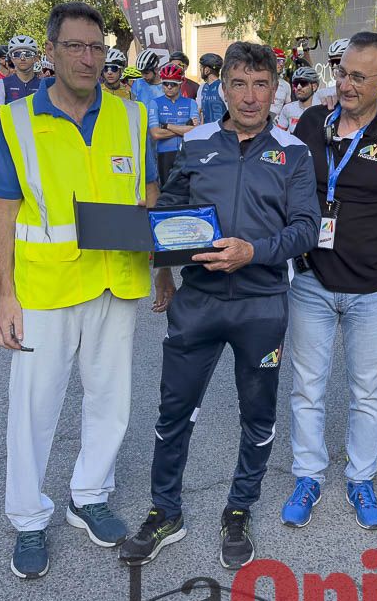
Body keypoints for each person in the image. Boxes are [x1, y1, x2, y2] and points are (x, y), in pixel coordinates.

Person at [118, 41, 318, 570]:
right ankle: (165, 511)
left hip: (262, 304)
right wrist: (162, 270)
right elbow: (172, 214)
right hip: (200, 301)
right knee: (174, 410)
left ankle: (239, 508)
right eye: (238, 84)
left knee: (257, 413)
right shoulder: (197, 144)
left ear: (274, 90)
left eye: (260, 84)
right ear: (221, 87)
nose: (249, 96)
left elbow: (305, 230)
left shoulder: (293, 152)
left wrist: (253, 251)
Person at [0, 2, 162, 579]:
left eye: (97, 48)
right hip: (47, 285)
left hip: (118, 277)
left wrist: (161, 248)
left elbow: (149, 191)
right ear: (51, 52)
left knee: (111, 398)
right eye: (75, 47)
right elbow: (5, 210)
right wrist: (6, 296)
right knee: (34, 408)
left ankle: (89, 495)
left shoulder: (132, 117)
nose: (88, 58)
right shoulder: (17, 121)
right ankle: (28, 517)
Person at [282, 31, 377, 531]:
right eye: (342, 72)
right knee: (307, 386)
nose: (345, 84)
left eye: (358, 77)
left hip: (373, 291)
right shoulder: (310, 122)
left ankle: (360, 477)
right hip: (312, 283)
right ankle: (308, 475)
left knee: (368, 392)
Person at [151, 62, 200, 186]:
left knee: (188, 191)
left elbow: (195, 132)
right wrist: (183, 129)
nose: (168, 87)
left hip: (187, 152)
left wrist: (167, 126)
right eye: (165, 83)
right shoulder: (154, 103)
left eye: (172, 84)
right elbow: (156, 134)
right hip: (165, 154)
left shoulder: (191, 103)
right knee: (167, 190)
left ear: (180, 84)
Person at [0, 35, 42, 131]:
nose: (22, 58)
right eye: (17, 54)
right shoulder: (1, 85)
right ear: (12, 59)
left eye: (27, 54)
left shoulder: (44, 86)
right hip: (12, 141)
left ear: (35, 58)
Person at [275, 65, 319, 133]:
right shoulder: (288, 109)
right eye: (296, 83)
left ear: (314, 86)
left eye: (303, 83)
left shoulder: (322, 109)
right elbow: (279, 136)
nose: (298, 87)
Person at [130, 48, 165, 117]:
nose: (143, 76)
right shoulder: (137, 84)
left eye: (146, 73)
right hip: (142, 125)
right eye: (141, 73)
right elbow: (132, 106)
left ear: (156, 69)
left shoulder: (167, 85)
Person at [198, 52, 226, 124]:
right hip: (207, 132)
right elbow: (199, 111)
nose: (200, 70)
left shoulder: (222, 87)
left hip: (222, 132)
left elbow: (231, 112)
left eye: (201, 67)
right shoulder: (202, 87)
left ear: (207, 70)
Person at [270, 48, 291, 120]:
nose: (281, 64)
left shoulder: (286, 85)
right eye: (278, 61)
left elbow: (288, 109)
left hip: (278, 125)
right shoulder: (259, 81)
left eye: (283, 61)